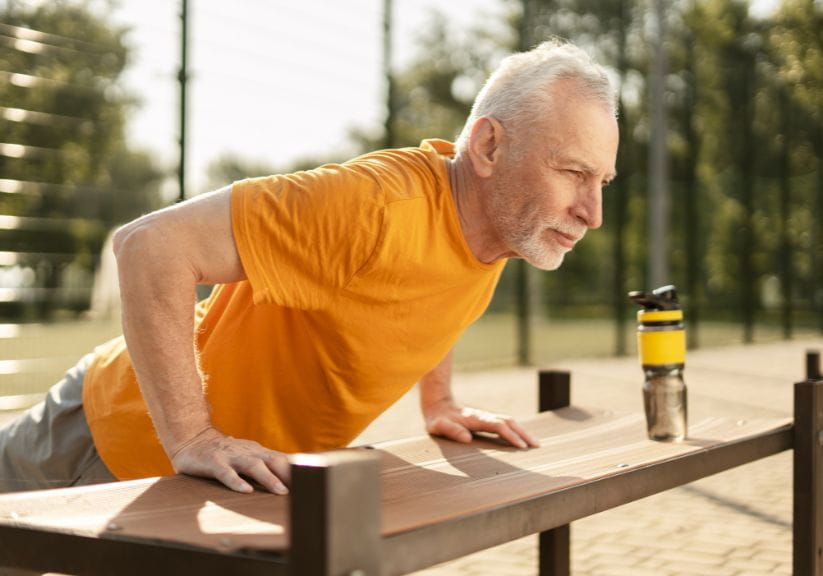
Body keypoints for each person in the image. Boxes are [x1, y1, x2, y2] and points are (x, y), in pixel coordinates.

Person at [0, 39, 618, 494]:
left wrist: (441, 402)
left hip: (228, 482)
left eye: (603, 181)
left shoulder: (497, 227)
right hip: (111, 435)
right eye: (573, 173)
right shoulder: (374, 206)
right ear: (488, 146)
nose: (591, 211)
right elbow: (148, 246)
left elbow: (428, 292)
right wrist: (193, 437)